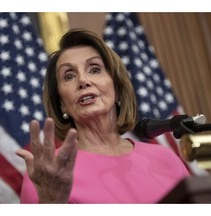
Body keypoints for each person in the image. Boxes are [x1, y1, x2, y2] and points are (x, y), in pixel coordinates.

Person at [16, 28, 190, 204]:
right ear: (61, 103)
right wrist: (51, 201)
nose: (83, 81)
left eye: (94, 69)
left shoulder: (166, 159)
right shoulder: (49, 173)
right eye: (69, 76)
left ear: (118, 88)